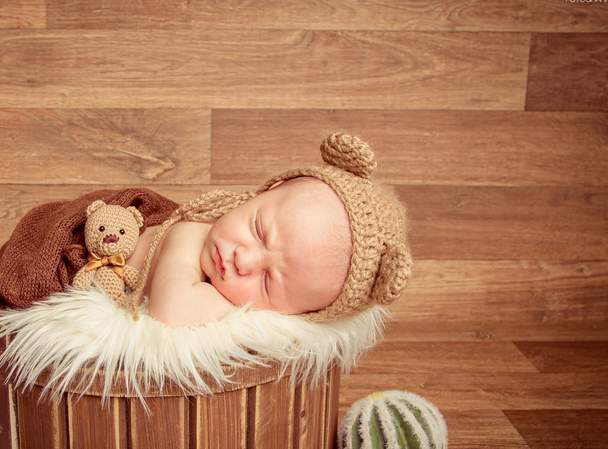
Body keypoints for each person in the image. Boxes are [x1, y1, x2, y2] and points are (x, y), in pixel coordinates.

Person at [126, 133, 413, 327]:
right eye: (259, 231)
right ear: (268, 190)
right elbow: (172, 310)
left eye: (267, 283)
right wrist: (239, 310)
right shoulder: (191, 232)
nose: (243, 260)